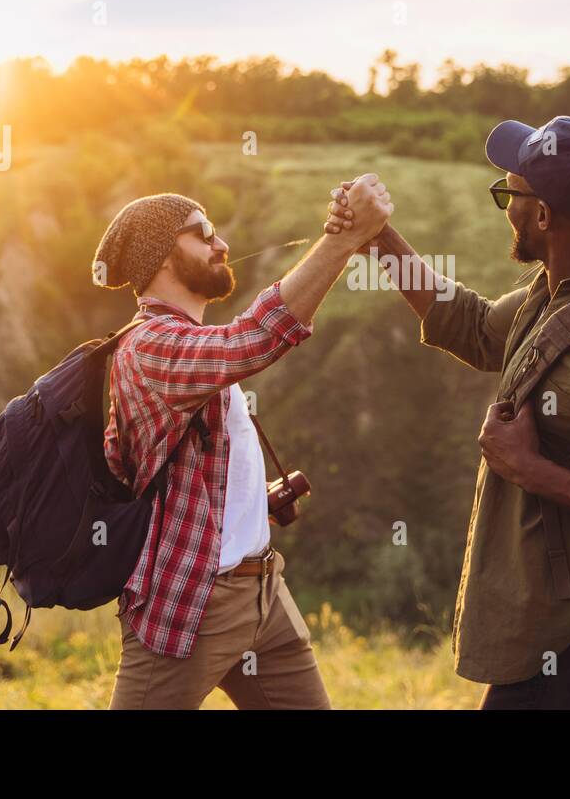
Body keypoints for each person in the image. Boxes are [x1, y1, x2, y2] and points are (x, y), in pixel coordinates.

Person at [324, 117, 570, 709]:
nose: (505, 207)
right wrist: (381, 239)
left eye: (510, 194)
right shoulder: (564, 296)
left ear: (543, 216)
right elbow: (473, 326)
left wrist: (530, 469)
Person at [95, 176, 392, 709]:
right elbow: (254, 339)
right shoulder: (150, 346)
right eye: (202, 232)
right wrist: (344, 240)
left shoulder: (189, 342)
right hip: (192, 599)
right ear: (161, 257)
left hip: (262, 593)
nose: (222, 243)